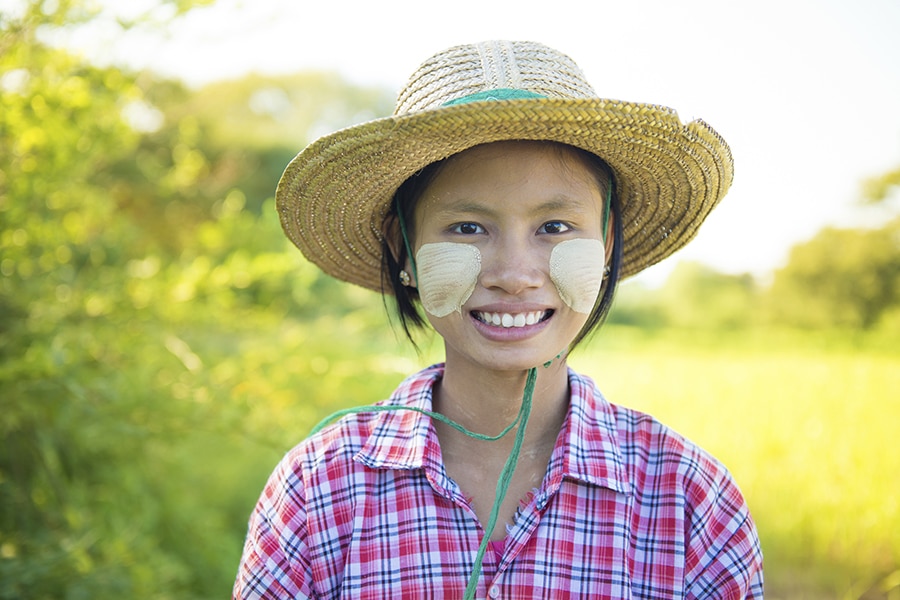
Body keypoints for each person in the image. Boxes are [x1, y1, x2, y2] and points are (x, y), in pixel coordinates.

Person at [234, 40, 763, 599]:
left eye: (555, 226)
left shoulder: (689, 501)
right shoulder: (320, 490)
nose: (514, 275)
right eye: (467, 227)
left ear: (606, 245)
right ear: (404, 250)